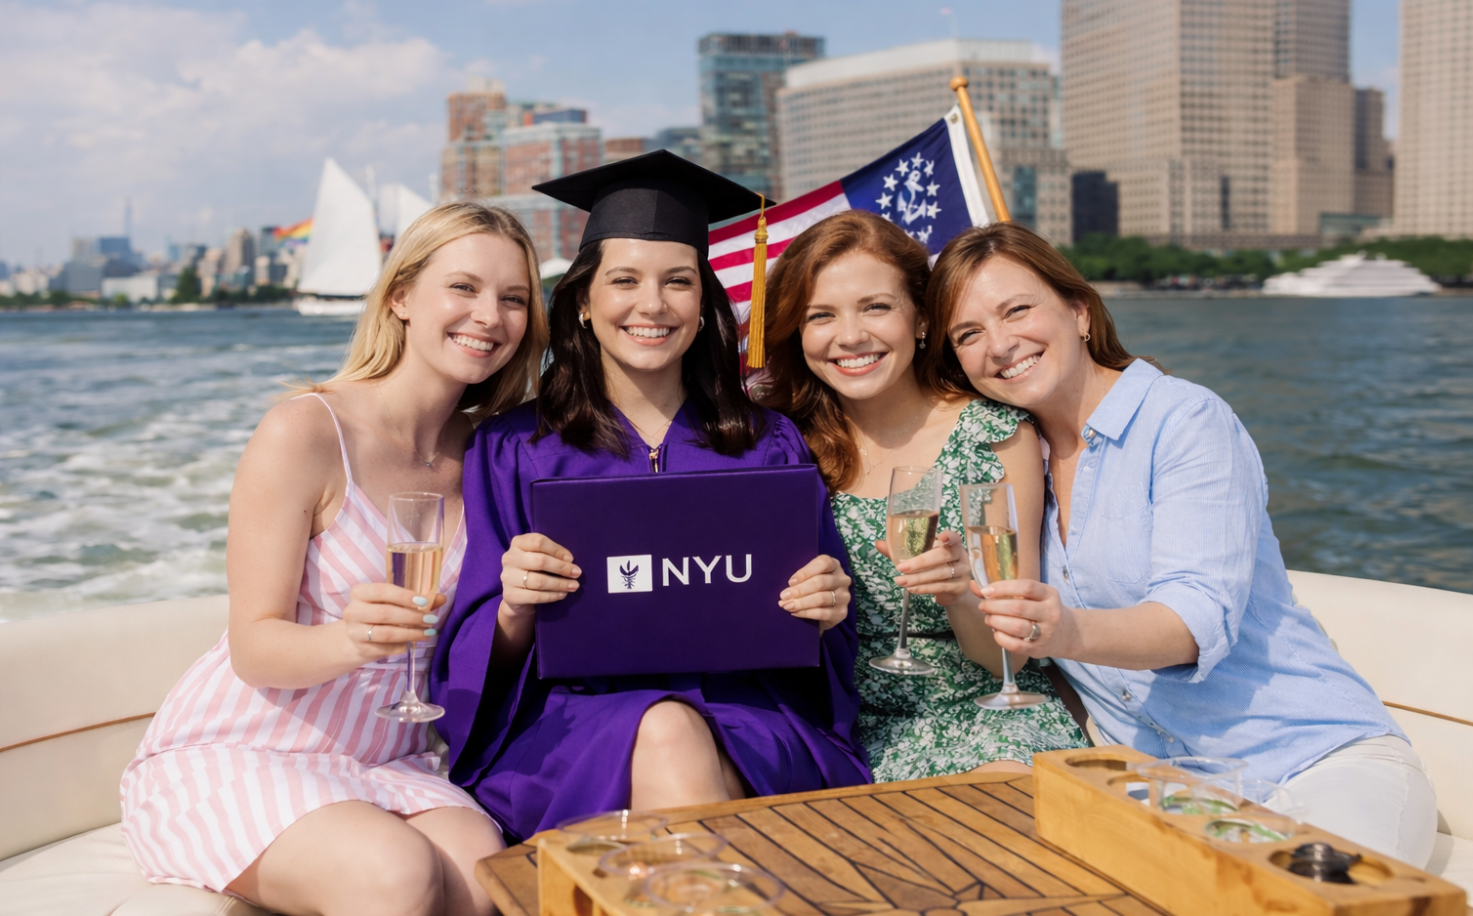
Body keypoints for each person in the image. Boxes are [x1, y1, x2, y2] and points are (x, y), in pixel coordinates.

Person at [926, 222, 1435, 866]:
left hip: (1311, 760)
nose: (1000, 344)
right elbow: (1009, 646)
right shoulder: (1008, 464)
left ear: (1080, 312)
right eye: (968, 334)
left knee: (1314, 904)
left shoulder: (1186, 420)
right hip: (1164, 788)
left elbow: (1196, 618)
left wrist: (1064, 632)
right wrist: (958, 595)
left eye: (1017, 309)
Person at [121, 203, 549, 916]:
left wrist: (518, 610)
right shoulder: (306, 431)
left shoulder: (492, 454)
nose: (490, 316)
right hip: (247, 751)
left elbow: (479, 649)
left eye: (513, 299)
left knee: (491, 881)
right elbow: (255, 646)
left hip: (393, 760)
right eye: (465, 288)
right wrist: (349, 640)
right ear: (401, 297)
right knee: (392, 875)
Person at [431, 151, 871, 843]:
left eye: (678, 282)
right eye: (625, 280)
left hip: (750, 711)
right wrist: (514, 605)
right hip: (570, 721)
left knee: (676, 739)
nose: (653, 305)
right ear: (583, 299)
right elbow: (475, 663)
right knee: (666, 733)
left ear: (704, 304)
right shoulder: (514, 447)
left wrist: (823, 608)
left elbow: (827, 642)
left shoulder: (768, 441)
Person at [758, 211, 1087, 781]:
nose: (851, 335)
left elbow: (1010, 656)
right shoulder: (780, 447)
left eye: (876, 307)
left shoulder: (994, 436)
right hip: (831, 722)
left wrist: (959, 594)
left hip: (982, 715)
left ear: (920, 319)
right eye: (821, 316)